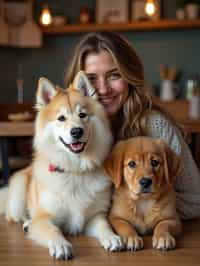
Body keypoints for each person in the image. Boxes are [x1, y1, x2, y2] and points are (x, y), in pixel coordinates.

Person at [63, 31, 200, 220]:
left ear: (129, 77)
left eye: (114, 75)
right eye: (92, 79)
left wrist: (143, 205)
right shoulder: (68, 133)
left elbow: (196, 200)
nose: (102, 89)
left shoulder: (156, 125)